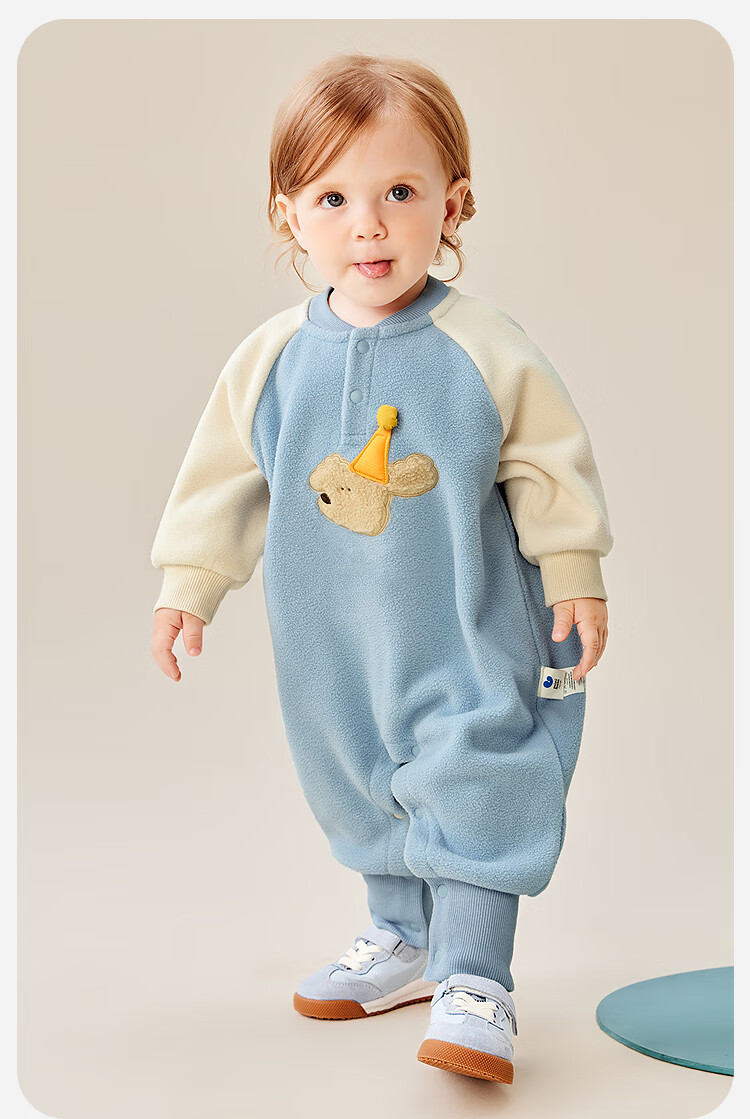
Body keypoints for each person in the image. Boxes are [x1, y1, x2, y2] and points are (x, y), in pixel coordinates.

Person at [149, 52, 613, 1085]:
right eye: (334, 198)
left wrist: (574, 568)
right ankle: (403, 939)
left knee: (477, 776)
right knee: (357, 783)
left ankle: (476, 981)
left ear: (454, 203)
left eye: (400, 192)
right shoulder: (271, 359)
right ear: (289, 215)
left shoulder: (484, 347)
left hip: (463, 627)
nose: (369, 225)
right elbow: (221, 480)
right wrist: (190, 585)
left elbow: (549, 463)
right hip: (332, 646)